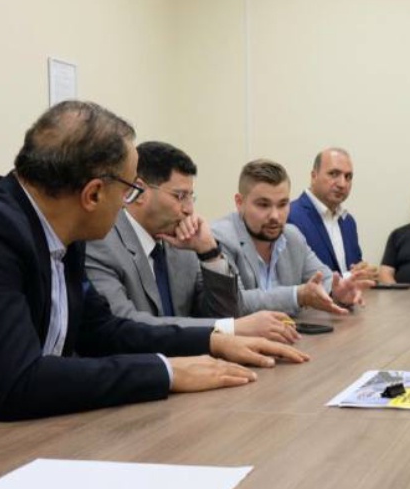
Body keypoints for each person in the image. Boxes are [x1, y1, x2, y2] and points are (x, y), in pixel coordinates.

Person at [0, 101, 308, 422]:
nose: (129, 203)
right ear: (92, 194)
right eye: (129, 190)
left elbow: (103, 331)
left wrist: (211, 341)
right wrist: (167, 372)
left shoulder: (61, 229)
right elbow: (18, 384)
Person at [86, 141, 298, 344]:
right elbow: (125, 325)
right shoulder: (100, 242)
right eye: (179, 196)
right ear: (139, 192)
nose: (189, 209)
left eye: (190, 197)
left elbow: (226, 313)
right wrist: (230, 328)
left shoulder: (183, 242)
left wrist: (209, 253)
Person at [212, 159, 372, 317]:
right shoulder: (221, 237)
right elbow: (234, 303)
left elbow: (325, 279)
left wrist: (337, 291)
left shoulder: (292, 235)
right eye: (263, 205)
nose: (275, 216)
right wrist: (297, 296)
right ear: (240, 202)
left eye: (282, 204)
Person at [288, 148, 375, 277]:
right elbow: (294, 277)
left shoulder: (348, 222)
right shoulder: (290, 216)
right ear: (314, 176)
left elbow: (352, 269)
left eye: (348, 177)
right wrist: (350, 278)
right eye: (334, 174)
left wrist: (363, 273)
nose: (342, 184)